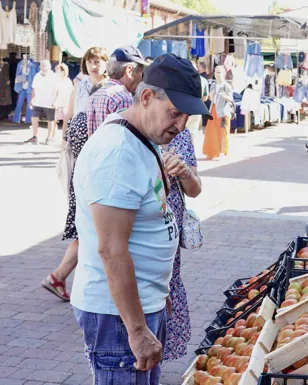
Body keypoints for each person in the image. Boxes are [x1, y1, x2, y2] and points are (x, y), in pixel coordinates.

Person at [71, 54, 209, 385]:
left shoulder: (142, 135)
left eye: (186, 117)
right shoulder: (118, 152)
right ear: (146, 97)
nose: (180, 126)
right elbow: (111, 249)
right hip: (117, 316)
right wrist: (136, 327)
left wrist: (156, 289)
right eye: (174, 113)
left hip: (140, 304)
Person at [41, 47, 109, 301]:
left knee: (90, 228)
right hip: (82, 164)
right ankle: (62, 277)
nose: (94, 65)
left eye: (98, 61)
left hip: (97, 162)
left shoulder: (110, 88)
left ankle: (59, 277)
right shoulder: (79, 85)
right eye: (90, 61)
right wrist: (63, 148)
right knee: (90, 227)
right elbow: (69, 117)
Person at [162, 119, 202, 361]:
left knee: (168, 283)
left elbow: (195, 189)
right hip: (142, 227)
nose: (180, 121)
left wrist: (184, 172)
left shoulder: (183, 135)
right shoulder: (132, 134)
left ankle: (159, 356)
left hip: (171, 227)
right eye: (176, 112)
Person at [86, 45, 147, 136]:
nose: (141, 77)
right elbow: (126, 137)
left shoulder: (95, 95)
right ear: (129, 70)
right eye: (141, 72)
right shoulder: (123, 98)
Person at [24, 60, 59, 145]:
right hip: (38, 102)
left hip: (50, 102)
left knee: (51, 120)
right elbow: (34, 88)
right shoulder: (37, 76)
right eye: (42, 66)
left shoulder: (54, 76)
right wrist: (32, 99)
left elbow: (58, 90)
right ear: (40, 67)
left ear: (50, 67)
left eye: (45, 66)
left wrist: (56, 101)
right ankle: (35, 137)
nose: (44, 68)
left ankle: (49, 138)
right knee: (34, 118)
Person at [202, 65, 230, 160]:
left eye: (219, 72)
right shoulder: (213, 85)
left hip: (222, 111)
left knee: (222, 132)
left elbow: (231, 99)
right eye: (216, 72)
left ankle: (222, 152)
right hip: (213, 110)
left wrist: (224, 96)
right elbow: (210, 97)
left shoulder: (227, 86)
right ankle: (211, 152)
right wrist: (211, 95)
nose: (217, 75)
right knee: (211, 131)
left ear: (224, 73)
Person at [53, 63, 74, 129]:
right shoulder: (55, 81)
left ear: (62, 72)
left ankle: (64, 138)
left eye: (57, 71)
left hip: (65, 105)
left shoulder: (68, 82)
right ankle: (51, 137)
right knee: (53, 121)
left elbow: (70, 94)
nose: (55, 72)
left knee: (66, 122)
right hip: (56, 105)